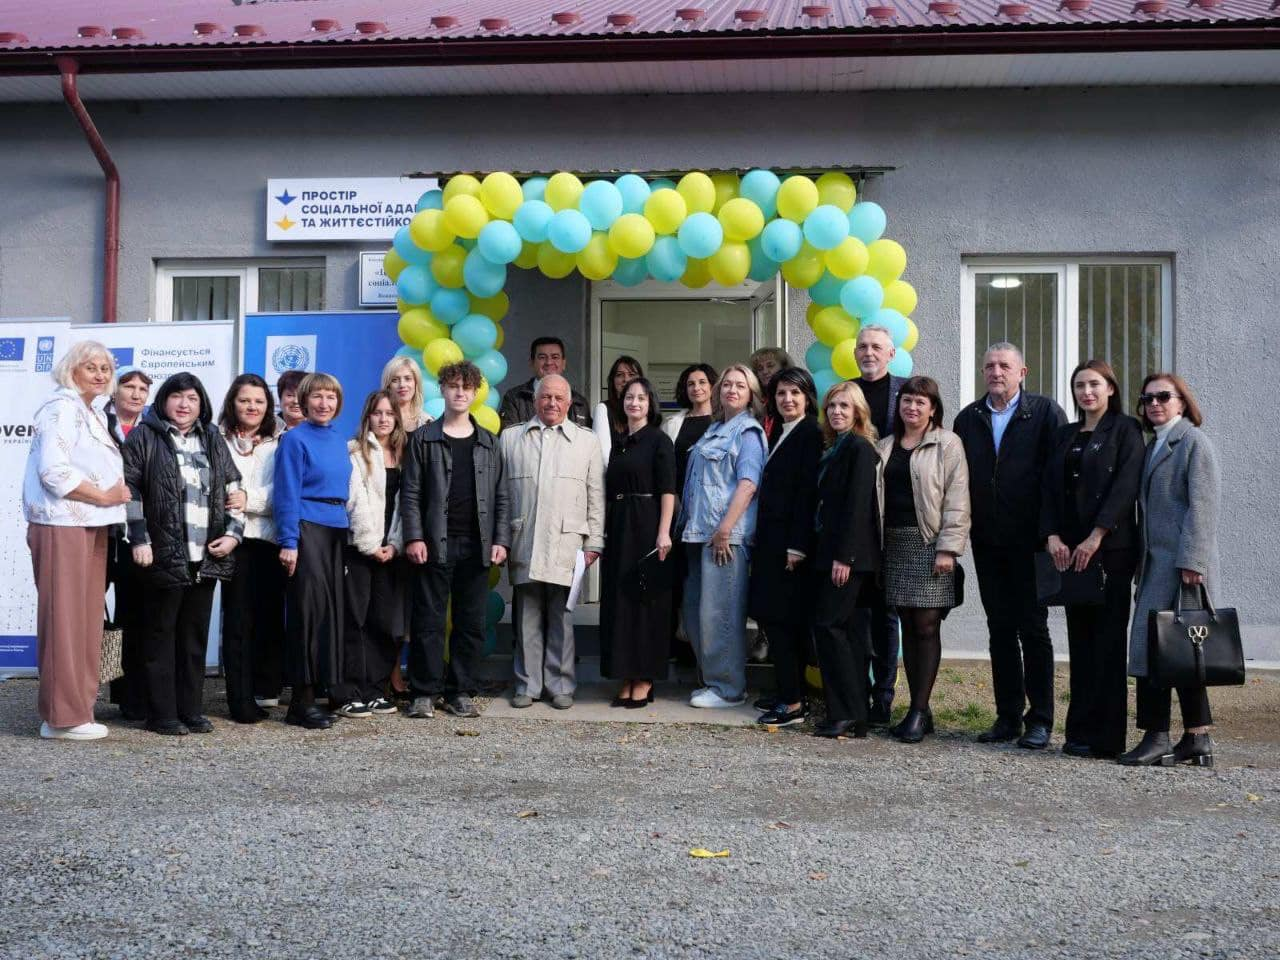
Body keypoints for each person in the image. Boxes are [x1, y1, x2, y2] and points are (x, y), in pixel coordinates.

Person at [953, 342, 1066, 749]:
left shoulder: (1045, 413)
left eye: (1004, 365)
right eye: (989, 366)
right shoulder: (969, 418)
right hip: (988, 541)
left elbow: (1057, 479)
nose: (996, 372)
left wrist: (1053, 531)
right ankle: (1007, 716)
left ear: (1023, 372)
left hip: (1032, 542)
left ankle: (1041, 719)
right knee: (999, 628)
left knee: (1033, 629)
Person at [123, 372, 244, 736]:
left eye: (192, 398)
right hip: (161, 554)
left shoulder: (212, 438)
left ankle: (190, 710)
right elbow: (129, 491)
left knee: (193, 638)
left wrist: (233, 535)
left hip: (205, 556)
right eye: (177, 396)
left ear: (201, 403)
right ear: (163, 400)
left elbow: (235, 488)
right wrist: (139, 539)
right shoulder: (144, 436)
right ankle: (161, 714)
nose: (184, 404)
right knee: (160, 636)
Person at [23, 341, 131, 740]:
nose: (101, 374)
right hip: (62, 524)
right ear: (72, 370)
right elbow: (54, 471)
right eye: (91, 367)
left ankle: (78, 709)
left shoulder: (92, 412)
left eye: (105, 368)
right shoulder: (61, 408)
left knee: (85, 621)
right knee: (65, 621)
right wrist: (104, 496)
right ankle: (61, 718)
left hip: (91, 524)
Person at [1040, 360, 1144, 760]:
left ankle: (1107, 738)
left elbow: (1125, 487)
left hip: (1109, 553)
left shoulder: (1126, 430)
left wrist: (1097, 535)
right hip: (1070, 554)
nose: (1087, 392)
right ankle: (1078, 732)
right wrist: (1051, 535)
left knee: (1108, 644)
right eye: (1080, 385)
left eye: (1095, 384)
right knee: (1080, 644)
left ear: (1110, 388)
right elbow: (1049, 488)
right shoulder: (1065, 434)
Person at [1119, 374, 1221, 768]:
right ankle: (1197, 738)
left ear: (1182, 401)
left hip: (1181, 567)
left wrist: (1193, 561)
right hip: (1155, 564)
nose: (1155, 404)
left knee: (1172, 648)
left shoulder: (1193, 442)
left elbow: (1204, 505)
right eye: (1147, 398)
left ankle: (1156, 736)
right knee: (1178, 650)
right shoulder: (1154, 444)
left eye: (1163, 396)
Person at [402, 360, 510, 720]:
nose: (460, 392)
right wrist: (414, 536)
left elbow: (502, 496)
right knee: (428, 621)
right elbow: (411, 493)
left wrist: (501, 539)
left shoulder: (489, 443)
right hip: (434, 544)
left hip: (477, 545)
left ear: (476, 392)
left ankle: (460, 692)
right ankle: (423, 692)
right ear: (442, 390)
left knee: (470, 623)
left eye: (466, 387)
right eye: (453, 386)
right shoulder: (424, 438)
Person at [500, 374, 604, 709]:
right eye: (546, 397)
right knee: (527, 616)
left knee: (561, 616)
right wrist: (501, 539)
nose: (552, 403)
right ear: (534, 400)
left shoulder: (586, 441)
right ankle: (527, 685)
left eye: (559, 398)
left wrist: (594, 542)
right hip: (524, 538)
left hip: (567, 541)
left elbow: (595, 496)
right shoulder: (511, 438)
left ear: (570, 403)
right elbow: (501, 495)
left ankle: (560, 684)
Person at [875, 376, 970, 743]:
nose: (912, 407)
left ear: (933, 409)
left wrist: (949, 548)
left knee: (927, 625)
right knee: (907, 625)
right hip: (895, 544)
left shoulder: (948, 443)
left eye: (920, 402)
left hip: (930, 543)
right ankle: (920, 710)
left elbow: (957, 499)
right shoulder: (885, 446)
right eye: (907, 400)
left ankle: (918, 709)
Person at [679, 363, 766, 709]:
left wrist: (725, 529)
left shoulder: (748, 432)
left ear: (751, 395)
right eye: (727, 384)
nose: (732, 390)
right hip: (699, 533)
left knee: (721, 614)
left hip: (725, 538)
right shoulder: (714, 429)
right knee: (696, 612)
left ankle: (728, 689)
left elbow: (748, 484)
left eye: (740, 386)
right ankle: (712, 681)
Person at [274, 372, 352, 730]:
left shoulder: (338, 439)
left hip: (336, 531)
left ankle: (321, 692)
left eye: (330, 397)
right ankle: (299, 704)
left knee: (328, 616)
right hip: (307, 529)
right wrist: (289, 542)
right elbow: (286, 493)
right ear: (304, 401)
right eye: (317, 396)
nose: (324, 403)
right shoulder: (294, 440)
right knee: (306, 615)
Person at [748, 367, 823, 727]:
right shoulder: (779, 430)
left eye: (795, 393)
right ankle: (786, 690)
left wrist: (797, 546)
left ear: (808, 397)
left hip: (790, 547)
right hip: (770, 542)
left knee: (784, 622)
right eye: (781, 393)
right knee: (773, 619)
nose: (787, 399)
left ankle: (793, 703)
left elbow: (807, 493)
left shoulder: (810, 433)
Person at [810, 381, 881, 739]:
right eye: (832, 406)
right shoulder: (835, 447)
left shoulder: (859, 448)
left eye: (844, 406)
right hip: (831, 553)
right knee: (847, 632)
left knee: (829, 627)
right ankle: (856, 714)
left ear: (858, 412)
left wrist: (845, 557)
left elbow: (858, 506)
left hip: (849, 558)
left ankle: (844, 713)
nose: (836, 412)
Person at [600, 377, 676, 708]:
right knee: (621, 602)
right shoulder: (618, 443)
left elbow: (668, 490)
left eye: (641, 398)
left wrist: (664, 531)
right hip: (619, 526)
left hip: (647, 523)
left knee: (646, 603)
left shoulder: (659, 441)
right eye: (629, 397)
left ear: (650, 403)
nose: (634, 403)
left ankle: (645, 677)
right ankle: (626, 675)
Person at [331, 390, 406, 719]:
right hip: (360, 550)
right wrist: (371, 545)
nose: (384, 419)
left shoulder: (406, 454)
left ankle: (375, 689)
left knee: (382, 622)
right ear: (368, 417)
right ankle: (348, 692)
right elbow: (355, 499)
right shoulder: (354, 451)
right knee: (354, 620)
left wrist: (395, 544)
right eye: (378, 413)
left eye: (390, 413)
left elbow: (407, 505)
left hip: (391, 552)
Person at [218, 373, 286, 723]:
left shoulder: (281, 440)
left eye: (259, 401)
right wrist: (236, 502)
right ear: (233, 402)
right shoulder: (218, 440)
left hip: (270, 539)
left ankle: (266, 688)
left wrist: (250, 499)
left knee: (269, 618)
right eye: (245, 400)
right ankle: (240, 699)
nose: (252, 407)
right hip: (234, 541)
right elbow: (217, 487)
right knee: (238, 622)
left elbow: (284, 490)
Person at [852, 324, 908, 723]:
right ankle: (855, 691)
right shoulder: (846, 393)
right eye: (862, 346)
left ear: (891, 354)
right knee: (857, 610)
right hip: (855, 517)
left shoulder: (906, 393)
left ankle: (883, 696)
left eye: (876, 347)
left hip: (893, 516)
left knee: (887, 611)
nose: (868, 352)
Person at [103, 366, 152, 721]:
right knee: (92, 614)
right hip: (99, 530)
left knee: (134, 614)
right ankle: (81, 695)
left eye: (142, 389)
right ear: (114, 391)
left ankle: (131, 695)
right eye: (129, 386)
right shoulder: (97, 423)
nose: (135, 394)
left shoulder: (152, 430)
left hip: (138, 534)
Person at [661, 362, 717, 665]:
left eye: (702, 382)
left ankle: (706, 650)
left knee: (707, 581)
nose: (696, 388)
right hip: (679, 510)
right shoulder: (673, 423)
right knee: (681, 578)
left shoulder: (724, 420)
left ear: (712, 386)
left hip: (712, 515)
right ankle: (680, 644)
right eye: (691, 383)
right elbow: (666, 468)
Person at [498, 336, 592, 430]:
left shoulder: (580, 403)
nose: (549, 362)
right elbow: (510, 436)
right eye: (542, 357)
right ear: (531, 362)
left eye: (555, 357)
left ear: (563, 363)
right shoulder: (515, 398)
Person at [593, 355, 644, 467]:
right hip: (615, 474)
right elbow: (604, 457)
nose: (626, 379)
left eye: (631, 374)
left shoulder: (646, 410)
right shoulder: (603, 409)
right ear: (613, 381)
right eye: (620, 375)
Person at [382, 355, 430, 434]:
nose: (402, 385)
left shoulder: (428, 421)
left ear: (416, 383)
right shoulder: (379, 420)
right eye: (395, 380)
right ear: (388, 386)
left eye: (408, 379)